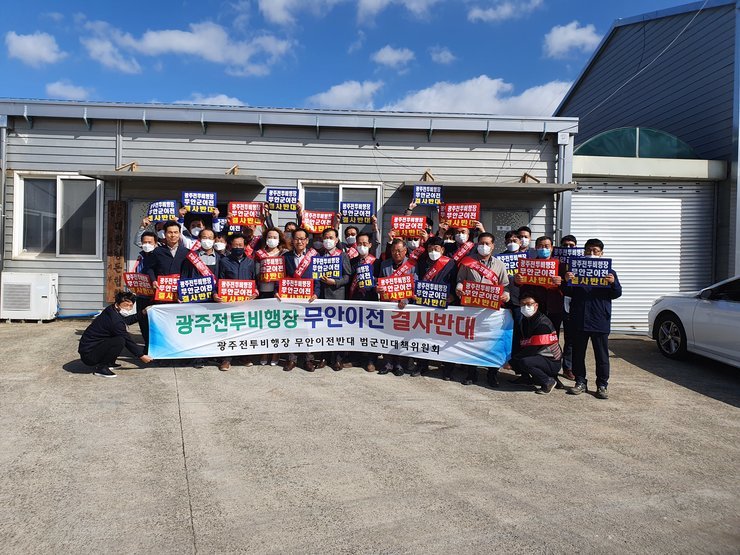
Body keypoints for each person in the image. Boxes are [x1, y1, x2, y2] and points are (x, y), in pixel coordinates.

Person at [563, 238, 622, 399]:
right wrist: (567, 280)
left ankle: (602, 385)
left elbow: (616, 294)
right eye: (588, 250)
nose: (591, 253)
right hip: (579, 318)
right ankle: (580, 382)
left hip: (599, 319)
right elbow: (567, 292)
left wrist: (613, 283)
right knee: (578, 354)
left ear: (601, 253)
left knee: (602, 355)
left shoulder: (609, 272)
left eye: (595, 251)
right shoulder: (576, 269)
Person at [455, 232, 510, 386]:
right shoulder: (468, 262)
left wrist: (506, 296)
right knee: (472, 342)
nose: (484, 246)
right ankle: (471, 374)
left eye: (487, 244)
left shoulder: (499, 265)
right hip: (471, 309)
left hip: (491, 312)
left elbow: (505, 287)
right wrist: (459, 289)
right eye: (481, 243)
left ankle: (492, 374)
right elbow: (460, 281)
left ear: (493, 246)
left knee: (491, 343)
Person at [78, 291, 154, 377]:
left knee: (118, 339)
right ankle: (101, 368)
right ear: (117, 304)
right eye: (126, 305)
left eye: (131, 306)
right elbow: (127, 340)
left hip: (94, 347)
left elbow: (126, 321)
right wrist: (141, 356)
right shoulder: (115, 320)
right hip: (89, 355)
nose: (128, 308)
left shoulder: (112, 310)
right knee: (120, 340)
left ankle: (109, 362)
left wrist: (143, 312)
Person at [412, 236, 457, 377]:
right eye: (430, 248)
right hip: (424, 304)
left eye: (436, 248)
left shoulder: (451, 263)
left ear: (442, 250)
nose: (433, 251)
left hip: (444, 305)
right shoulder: (421, 262)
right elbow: (416, 280)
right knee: (422, 335)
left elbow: (456, 282)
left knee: (444, 337)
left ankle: (447, 368)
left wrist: (453, 296)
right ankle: (421, 365)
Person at [282, 228, 322, 372]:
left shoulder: (314, 257)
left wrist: (316, 294)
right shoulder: (285, 257)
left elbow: (317, 279)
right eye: (296, 238)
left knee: (308, 330)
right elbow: (280, 277)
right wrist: (278, 292)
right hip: (291, 298)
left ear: (307, 241)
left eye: (302, 239)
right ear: (292, 240)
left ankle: (308, 359)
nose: (299, 241)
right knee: (291, 328)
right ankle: (291, 359)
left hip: (309, 299)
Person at [216, 233, 257, 371]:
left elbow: (255, 281)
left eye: (241, 245)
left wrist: (255, 292)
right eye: (235, 245)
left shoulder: (251, 262)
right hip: (228, 303)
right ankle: (226, 359)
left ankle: (244, 355)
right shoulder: (224, 261)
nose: (238, 247)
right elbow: (218, 281)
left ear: (245, 246)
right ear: (230, 246)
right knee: (227, 330)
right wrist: (216, 294)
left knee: (244, 329)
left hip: (246, 303)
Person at [509, 294, 563, 394]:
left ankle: (547, 381)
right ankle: (525, 378)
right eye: (523, 304)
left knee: (524, 361)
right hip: (538, 355)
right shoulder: (525, 320)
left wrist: (511, 362)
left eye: (529, 304)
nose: (526, 307)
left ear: (536, 305)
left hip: (551, 360)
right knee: (517, 349)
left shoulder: (542, 324)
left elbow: (532, 349)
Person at [378, 238, 417, 376]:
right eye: (394, 250)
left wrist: (405, 299)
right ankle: (388, 363)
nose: (396, 253)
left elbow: (415, 286)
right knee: (387, 335)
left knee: (401, 336)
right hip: (388, 306)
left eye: (399, 250)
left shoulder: (412, 265)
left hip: (404, 308)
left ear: (405, 251)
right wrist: (379, 290)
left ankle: (400, 364)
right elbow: (380, 282)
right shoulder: (384, 264)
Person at [316, 227, 353, 371]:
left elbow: (347, 277)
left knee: (336, 328)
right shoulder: (318, 255)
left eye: (331, 237)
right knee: (323, 327)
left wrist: (335, 282)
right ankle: (324, 357)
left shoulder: (342, 255)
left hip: (337, 295)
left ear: (337, 240)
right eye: (325, 237)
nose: (328, 240)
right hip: (322, 296)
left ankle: (337, 359)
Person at [254, 227, 288, 366]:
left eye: (275, 237)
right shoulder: (259, 254)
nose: (272, 239)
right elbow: (255, 273)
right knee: (264, 323)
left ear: (279, 239)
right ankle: (264, 351)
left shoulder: (285, 254)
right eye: (270, 236)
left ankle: (276, 352)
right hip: (263, 291)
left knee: (277, 323)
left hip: (279, 294)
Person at [348, 231, 380, 371]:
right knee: (355, 331)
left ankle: (370, 360)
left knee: (370, 332)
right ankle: (356, 359)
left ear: (370, 245)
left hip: (370, 300)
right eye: (359, 244)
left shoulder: (376, 262)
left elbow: (380, 281)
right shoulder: (352, 261)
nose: (362, 246)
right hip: (354, 300)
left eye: (364, 244)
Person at [147, 220, 190, 297]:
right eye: (170, 232)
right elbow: (150, 268)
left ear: (179, 234)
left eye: (176, 232)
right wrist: (153, 280)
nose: (173, 235)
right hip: (162, 290)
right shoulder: (157, 251)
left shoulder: (187, 252)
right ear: (165, 234)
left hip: (180, 291)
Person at [133, 231, 158, 354]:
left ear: (156, 243)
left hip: (154, 296)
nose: (147, 244)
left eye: (150, 242)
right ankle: (147, 346)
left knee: (154, 323)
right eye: (144, 242)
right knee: (142, 322)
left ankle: (154, 347)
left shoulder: (158, 255)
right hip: (141, 294)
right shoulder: (141, 256)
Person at [559, 234, 578, 381]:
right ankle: (551, 365)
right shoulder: (554, 262)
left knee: (570, 338)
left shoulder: (580, 264)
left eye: (571, 246)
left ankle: (568, 367)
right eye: (565, 245)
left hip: (571, 304)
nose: (568, 248)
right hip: (553, 303)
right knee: (551, 337)